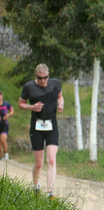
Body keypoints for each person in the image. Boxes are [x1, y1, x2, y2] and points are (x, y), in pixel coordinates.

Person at [18, 64, 63, 197]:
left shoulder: (55, 84)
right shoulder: (29, 87)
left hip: (52, 126)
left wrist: (61, 104)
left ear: (49, 75)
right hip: (36, 127)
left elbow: (60, 96)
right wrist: (32, 107)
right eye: (40, 78)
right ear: (35, 76)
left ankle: (50, 193)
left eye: (45, 77)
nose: (43, 81)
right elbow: (20, 104)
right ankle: (36, 186)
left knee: (51, 159)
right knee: (39, 163)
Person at [0, 91, 14, 161]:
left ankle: (6, 155)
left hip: (4, 125)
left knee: (2, 139)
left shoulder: (6, 104)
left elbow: (12, 110)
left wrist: (8, 115)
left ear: (2, 96)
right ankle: (1, 157)